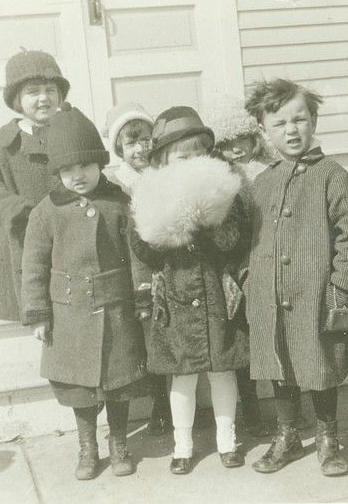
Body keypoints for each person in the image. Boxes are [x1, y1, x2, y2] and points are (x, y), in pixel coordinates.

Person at [243, 79, 348, 477]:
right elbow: (245, 239)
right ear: (264, 132)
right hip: (269, 296)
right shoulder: (262, 183)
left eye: (300, 119)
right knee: (280, 364)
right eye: (280, 123)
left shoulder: (332, 176)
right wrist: (250, 278)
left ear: (314, 121)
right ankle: (286, 436)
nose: (292, 130)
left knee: (320, 365)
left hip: (317, 294)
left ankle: (328, 437)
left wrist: (339, 284)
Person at [21, 103, 150, 479]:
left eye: (85, 167)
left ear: (100, 165)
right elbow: (33, 265)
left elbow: (137, 255)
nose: (77, 176)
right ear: (57, 172)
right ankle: (88, 446)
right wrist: (39, 314)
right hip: (69, 313)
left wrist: (142, 297)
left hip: (116, 308)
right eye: (67, 170)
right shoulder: (45, 212)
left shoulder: (118, 204)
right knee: (81, 388)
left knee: (118, 382)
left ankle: (119, 442)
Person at [129, 106, 250, 475]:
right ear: (164, 161)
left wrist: (212, 221)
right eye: (183, 156)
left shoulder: (226, 192)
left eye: (200, 154)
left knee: (222, 369)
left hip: (216, 295)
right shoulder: (149, 194)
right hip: (175, 298)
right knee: (181, 374)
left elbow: (236, 241)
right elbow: (143, 248)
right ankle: (182, 444)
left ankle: (226, 439)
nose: (192, 162)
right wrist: (166, 227)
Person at [0, 49, 70, 323]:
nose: (43, 98)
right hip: (25, 232)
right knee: (35, 286)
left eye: (50, 89)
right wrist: (17, 212)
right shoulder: (7, 143)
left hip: (68, 227)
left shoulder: (70, 130)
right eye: (33, 91)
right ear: (17, 100)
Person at [207, 97, 276, 438]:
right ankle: (251, 410)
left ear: (255, 138)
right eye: (227, 145)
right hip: (238, 265)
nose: (237, 150)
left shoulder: (272, 169)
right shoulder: (222, 179)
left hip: (273, 260)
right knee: (245, 344)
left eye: (242, 140)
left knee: (278, 336)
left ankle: (285, 410)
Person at [103, 103, 173, 437]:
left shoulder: (164, 175)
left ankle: (173, 405)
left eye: (145, 139)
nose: (140, 148)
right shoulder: (116, 183)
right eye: (131, 142)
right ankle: (158, 404)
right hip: (133, 271)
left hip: (165, 266)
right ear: (119, 148)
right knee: (144, 342)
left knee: (166, 337)